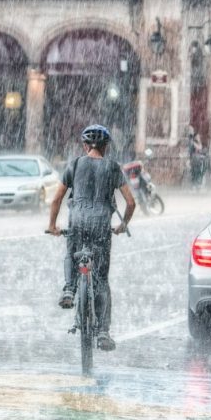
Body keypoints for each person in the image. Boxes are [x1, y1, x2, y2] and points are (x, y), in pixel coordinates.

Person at [47, 124, 136, 352]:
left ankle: (69, 288)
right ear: (106, 147)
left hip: (77, 222)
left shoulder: (75, 164)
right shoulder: (113, 167)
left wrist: (52, 225)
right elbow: (131, 202)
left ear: (85, 145)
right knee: (101, 281)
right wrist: (122, 224)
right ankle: (103, 332)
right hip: (101, 226)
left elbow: (56, 199)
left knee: (71, 252)